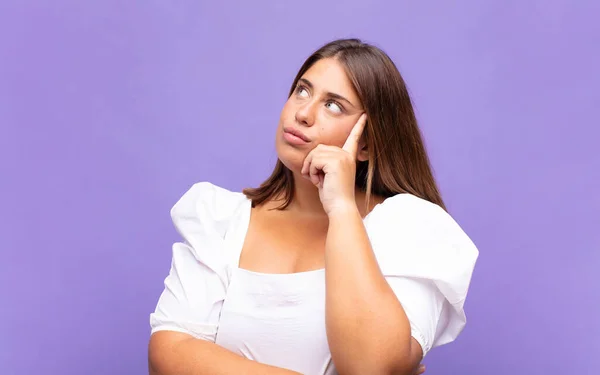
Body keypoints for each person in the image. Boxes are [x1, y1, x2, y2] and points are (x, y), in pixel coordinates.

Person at [148, 38, 479, 375]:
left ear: (365, 143)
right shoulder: (221, 219)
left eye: (333, 105)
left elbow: (373, 366)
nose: (303, 113)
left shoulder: (412, 227)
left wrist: (342, 210)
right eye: (302, 91)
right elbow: (169, 353)